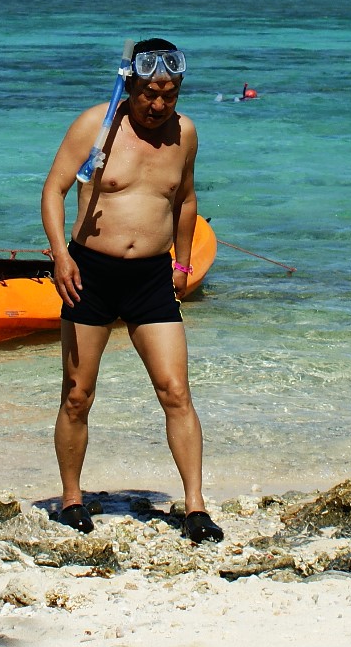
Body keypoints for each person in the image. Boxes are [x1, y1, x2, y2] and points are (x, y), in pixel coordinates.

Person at [40, 38, 223, 544]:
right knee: (78, 395)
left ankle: (194, 507)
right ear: (130, 85)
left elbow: (185, 199)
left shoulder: (184, 134)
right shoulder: (95, 127)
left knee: (176, 392)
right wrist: (59, 255)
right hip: (90, 274)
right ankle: (72, 499)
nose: (159, 104)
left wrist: (182, 263)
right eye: (149, 93)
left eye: (170, 93)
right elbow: (53, 189)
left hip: (151, 279)